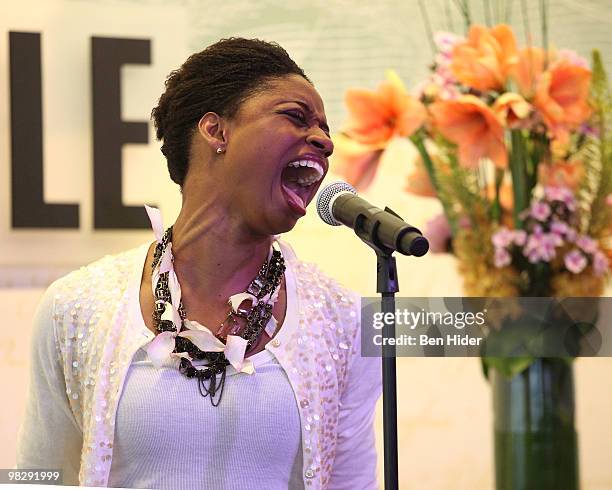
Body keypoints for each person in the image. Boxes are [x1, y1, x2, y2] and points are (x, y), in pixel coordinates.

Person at [17, 38, 382, 489]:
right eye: (295, 116)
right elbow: (37, 475)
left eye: (325, 129)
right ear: (216, 131)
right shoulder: (75, 306)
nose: (324, 141)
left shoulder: (345, 320)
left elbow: (352, 483)